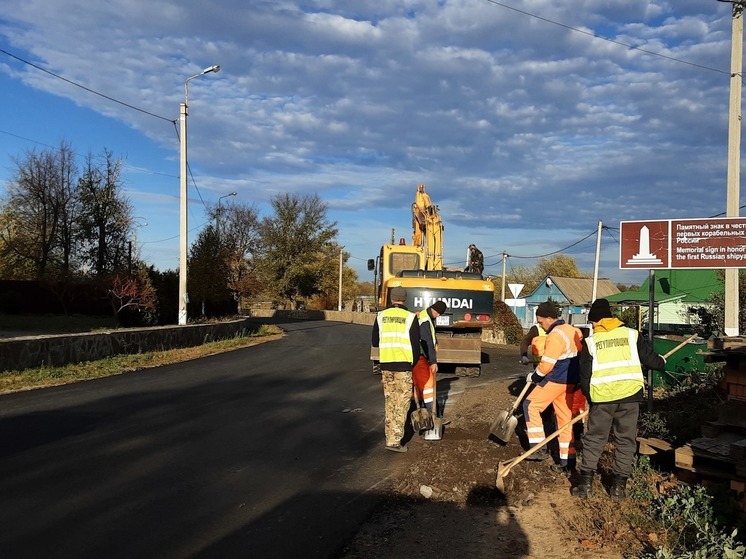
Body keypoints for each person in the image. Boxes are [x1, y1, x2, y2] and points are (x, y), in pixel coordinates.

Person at [572, 299, 666, 500]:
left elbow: (585, 376)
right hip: (630, 397)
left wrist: (591, 398)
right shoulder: (632, 335)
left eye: (593, 323)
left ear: (597, 321)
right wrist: (662, 362)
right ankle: (618, 489)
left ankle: (586, 486)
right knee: (625, 440)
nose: (592, 327)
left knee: (595, 439)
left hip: (602, 399)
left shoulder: (590, 342)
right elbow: (653, 362)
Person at [521, 301, 583, 471]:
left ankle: (538, 448)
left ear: (549, 318)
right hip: (571, 381)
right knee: (564, 419)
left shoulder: (555, 335)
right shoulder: (571, 330)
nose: (540, 324)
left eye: (541, 321)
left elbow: (547, 365)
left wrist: (534, 377)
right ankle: (567, 461)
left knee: (530, 405)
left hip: (556, 379)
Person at [371, 286, 420, 453]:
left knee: (390, 401)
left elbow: (375, 342)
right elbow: (415, 346)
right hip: (403, 366)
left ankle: (389, 437)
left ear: (392, 299)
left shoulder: (380, 316)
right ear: (404, 299)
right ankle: (395, 441)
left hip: (386, 365)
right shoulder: (410, 317)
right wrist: (412, 364)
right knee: (402, 403)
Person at [413, 301, 447, 415]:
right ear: (433, 309)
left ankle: (425, 412)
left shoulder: (426, 316)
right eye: (437, 313)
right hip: (421, 357)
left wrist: (435, 342)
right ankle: (430, 415)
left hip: (421, 356)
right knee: (428, 386)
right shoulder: (425, 320)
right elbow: (426, 341)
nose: (438, 316)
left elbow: (430, 337)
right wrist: (433, 362)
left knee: (421, 386)